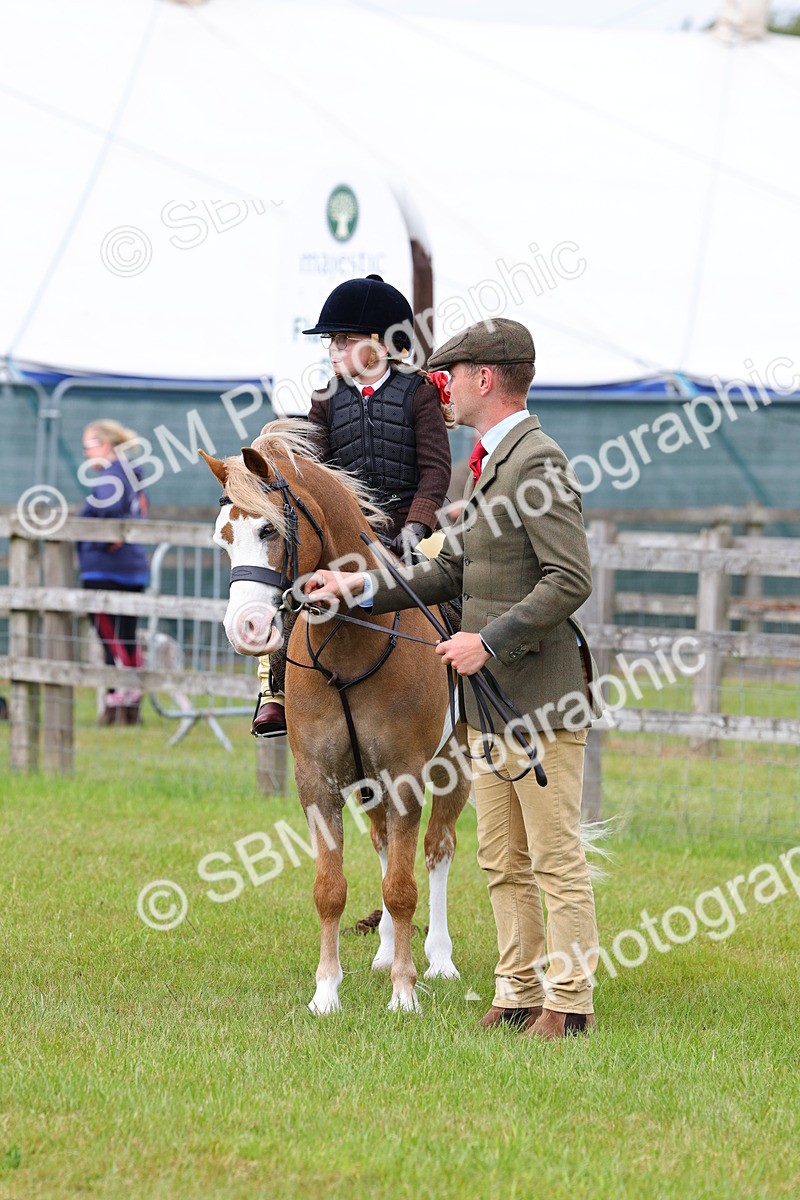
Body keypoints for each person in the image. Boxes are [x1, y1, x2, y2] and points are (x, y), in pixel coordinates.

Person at [304, 318, 602, 1040]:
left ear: (486, 379)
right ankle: (516, 988)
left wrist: (486, 641)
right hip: (493, 702)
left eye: (451, 374)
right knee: (500, 855)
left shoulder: (539, 461)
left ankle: (570, 1003)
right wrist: (354, 592)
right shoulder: (487, 460)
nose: (442, 387)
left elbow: (571, 578)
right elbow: (449, 570)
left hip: (538, 692)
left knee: (553, 856)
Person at [252, 273, 453, 736]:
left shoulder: (418, 393)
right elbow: (316, 471)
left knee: (459, 588)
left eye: (344, 340)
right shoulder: (325, 397)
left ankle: (469, 689)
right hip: (346, 532)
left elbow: (436, 473)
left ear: (381, 344)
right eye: (331, 342)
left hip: (409, 526)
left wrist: (414, 530)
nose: (334, 350)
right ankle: (275, 690)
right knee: (289, 588)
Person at [78, 419, 150, 726]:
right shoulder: (133, 474)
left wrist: (95, 542)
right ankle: (126, 699)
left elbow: (109, 516)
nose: (86, 454)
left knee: (109, 636)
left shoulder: (112, 475)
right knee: (126, 634)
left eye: (89, 446)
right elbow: (142, 510)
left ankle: (119, 696)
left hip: (106, 570)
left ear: (105, 445)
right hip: (131, 568)